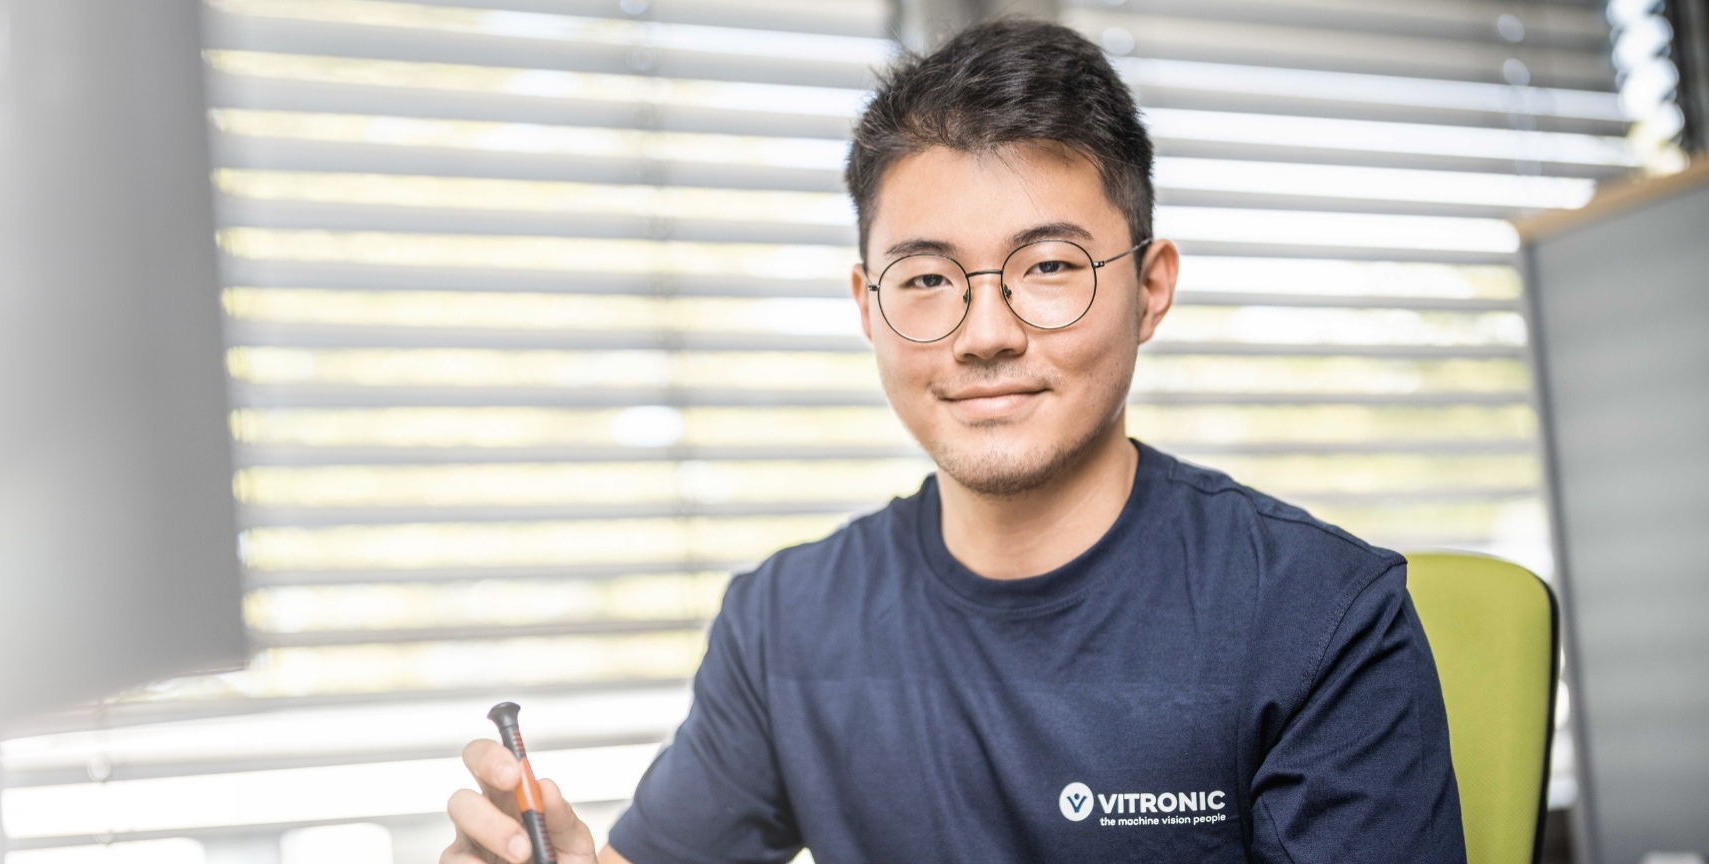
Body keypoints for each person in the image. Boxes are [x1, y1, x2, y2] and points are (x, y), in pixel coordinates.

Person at [442, 18, 1464, 864]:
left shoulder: (1321, 618)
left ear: (1150, 289)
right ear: (867, 307)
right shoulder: (784, 624)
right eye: (927, 278)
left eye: (1050, 267)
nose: (986, 334)